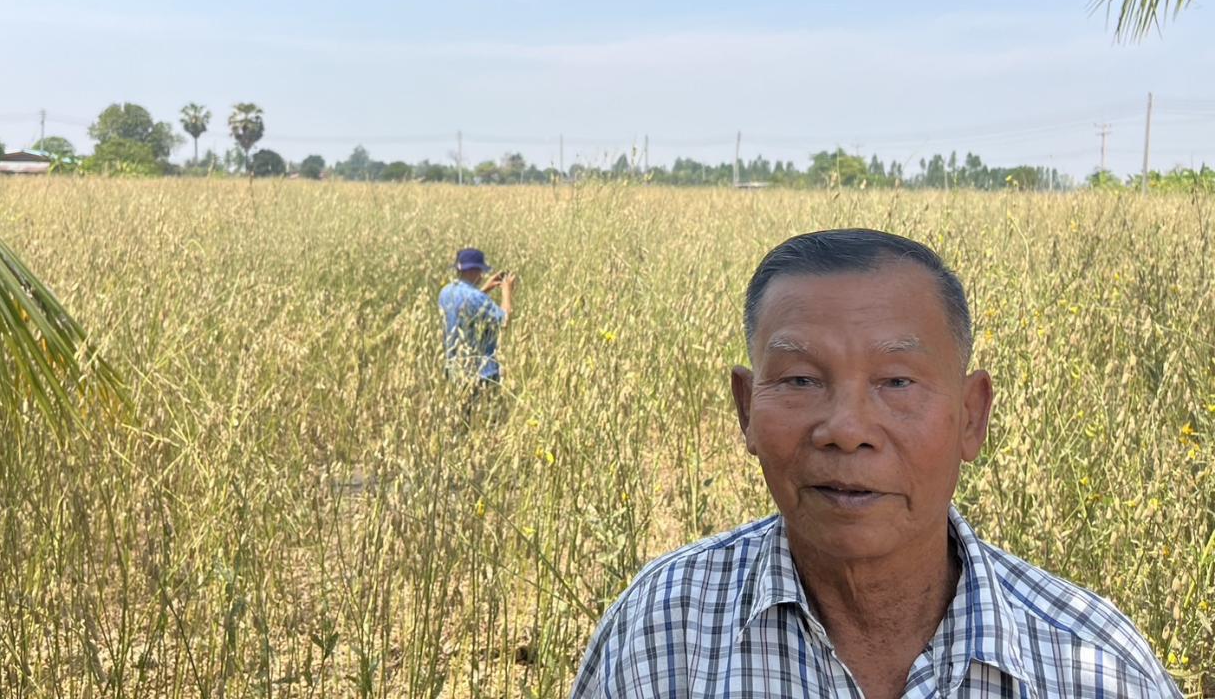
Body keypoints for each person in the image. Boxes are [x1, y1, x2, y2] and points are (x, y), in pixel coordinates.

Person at [570, 229, 1180, 698]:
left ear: (972, 417)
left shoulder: (1094, 666)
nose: (847, 430)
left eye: (896, 380)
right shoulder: (660, 634)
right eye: (802, 379)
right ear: (746, 409)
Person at [439, 247, 516, 389]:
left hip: (454, 372)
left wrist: (485, 289)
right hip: (481, 374)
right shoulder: (475, 297)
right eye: (480, 271)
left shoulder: (445, 292)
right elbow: (504, 320)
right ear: (472, 271)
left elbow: (465, 307)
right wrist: (507, 291)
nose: (481, 276)